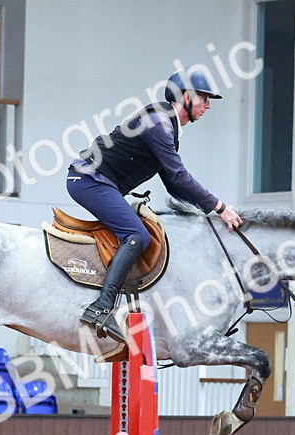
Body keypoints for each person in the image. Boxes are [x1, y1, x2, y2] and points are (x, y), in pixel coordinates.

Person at [67, 68, 243, 344]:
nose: (208, 105)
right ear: (185, 96)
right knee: (137, 235)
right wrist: (220, 207)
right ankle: (101, 307)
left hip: (97, 181)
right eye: (204, 98)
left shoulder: (167, 126)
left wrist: (206, 214)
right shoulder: (158, 124)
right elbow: (178, 176)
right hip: (89, 180)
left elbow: (173, 185)